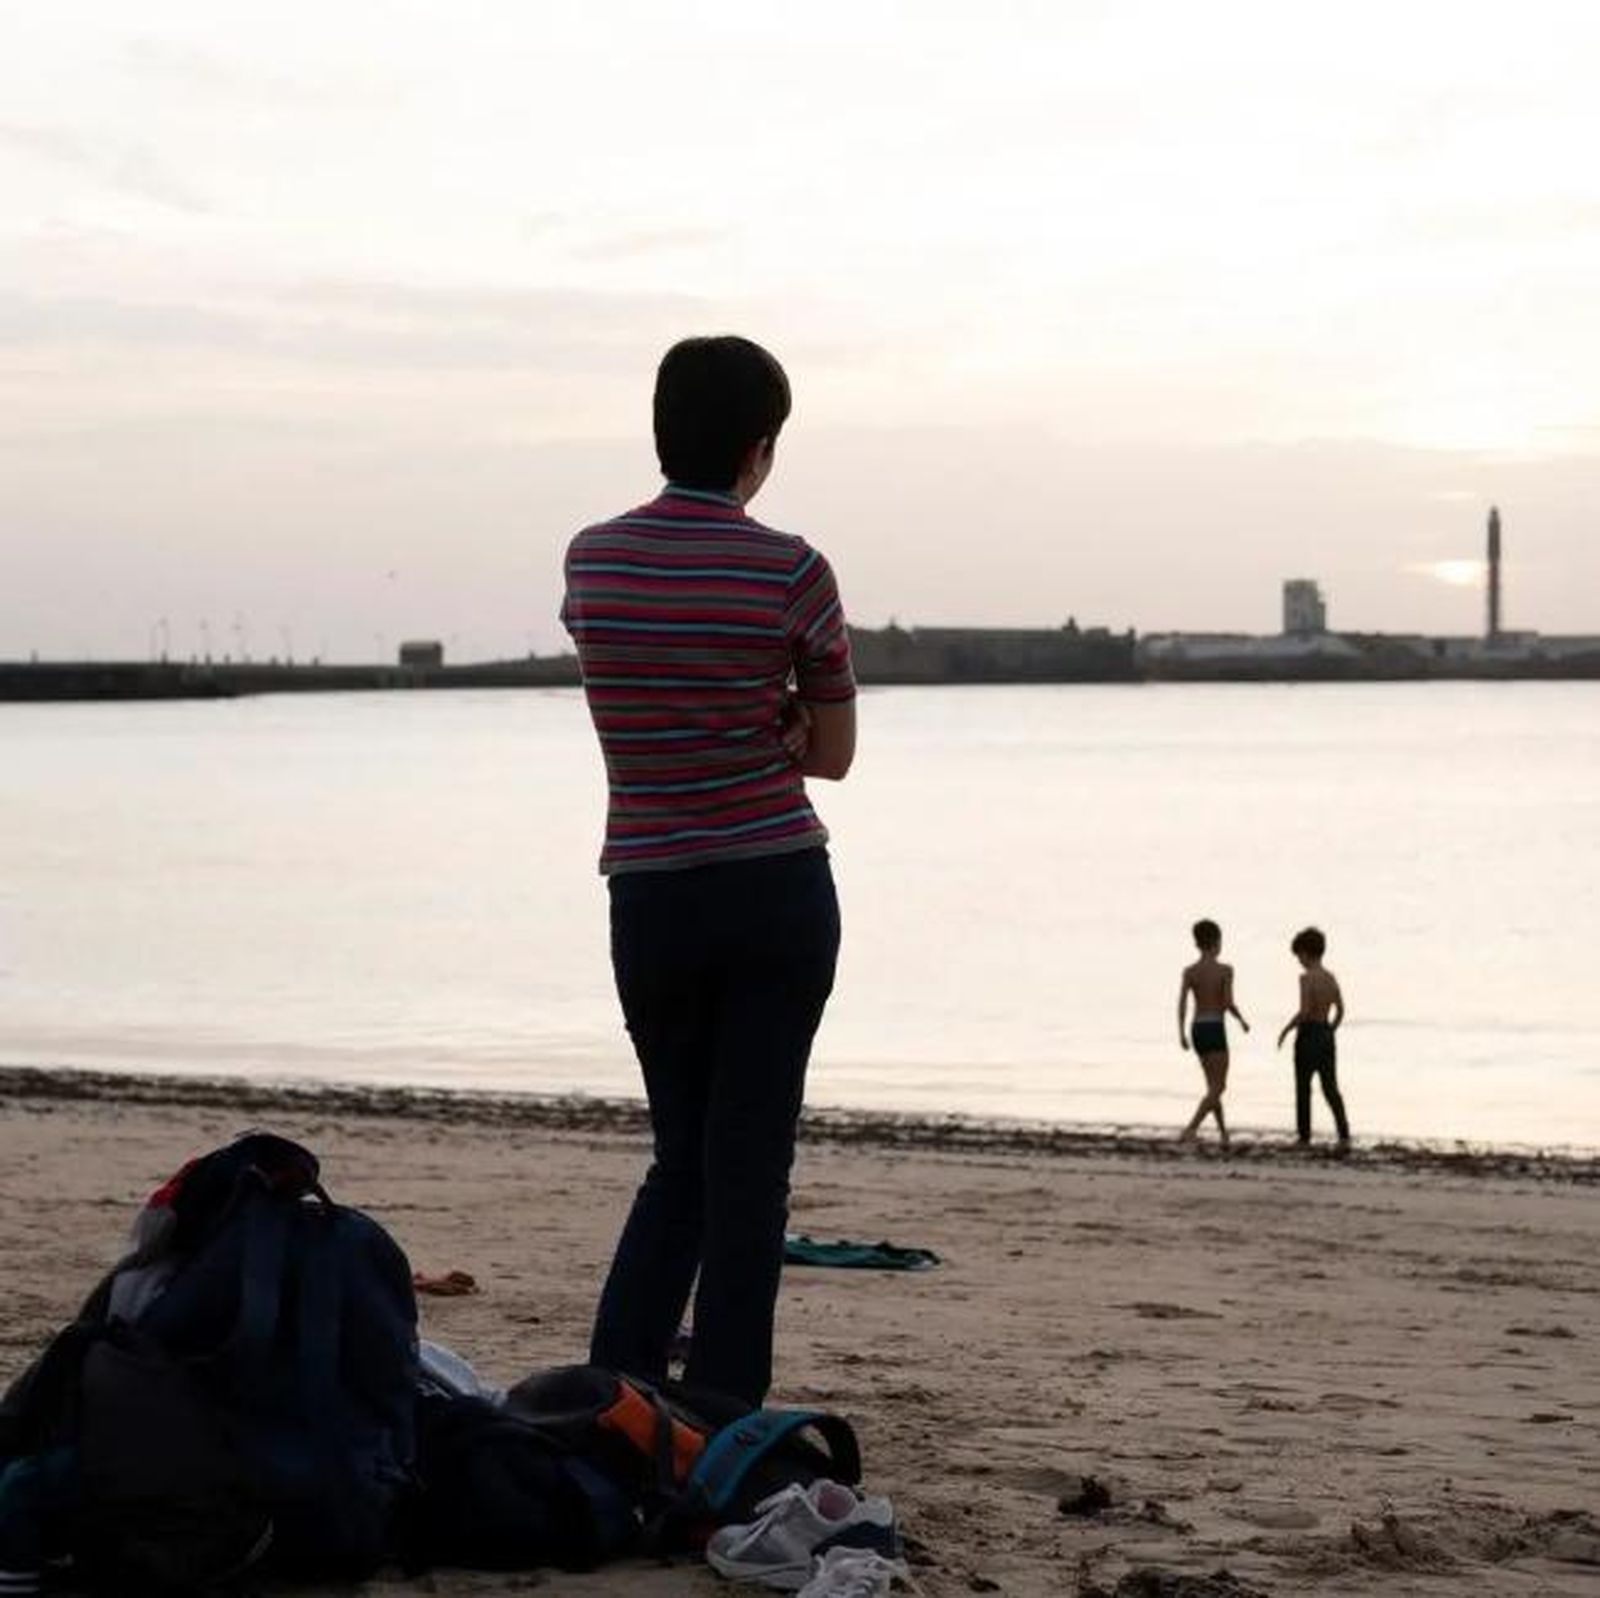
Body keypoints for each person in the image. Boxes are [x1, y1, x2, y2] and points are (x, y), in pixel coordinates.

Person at [560, 335, 857, 1406]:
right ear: (759, 447)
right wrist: (776, 717)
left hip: (651, 894)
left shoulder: (590, 559)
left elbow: (638, 690)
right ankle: (724, 1410)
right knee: (749, 1179)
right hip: (775, 886)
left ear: (659, 430)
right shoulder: (793, 568)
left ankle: (614, 1395)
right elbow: (830, 755)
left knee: (678, 1159)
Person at [1276, 926, 1350, 1150]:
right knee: (1330, 1087)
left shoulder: (1307, 978)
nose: (1299, 960)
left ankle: (1304, 1136)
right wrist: (1330, 1029)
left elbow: (1305, 1010)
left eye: (1299, 955)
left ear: (1307, 953)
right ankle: (1344, 1132)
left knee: (1303, 1087)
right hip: (1325, 1033)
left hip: (1308, 1034)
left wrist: (1286, 1029)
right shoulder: (1330, 978)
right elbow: (1340, 1009)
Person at [1176, 918, 1248, 1145]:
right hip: (1215, 1028)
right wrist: (1242, 1020)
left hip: (1197, 1028)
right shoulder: (1225, 970)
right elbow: (1227, 1003)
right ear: (1216, 942)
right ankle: (1191, 1129)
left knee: (1212, 1086)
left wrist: (1182, 1033)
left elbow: (1182, 1003)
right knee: (1220, 1086)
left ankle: (1223, 1132)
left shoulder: (1190, 971)